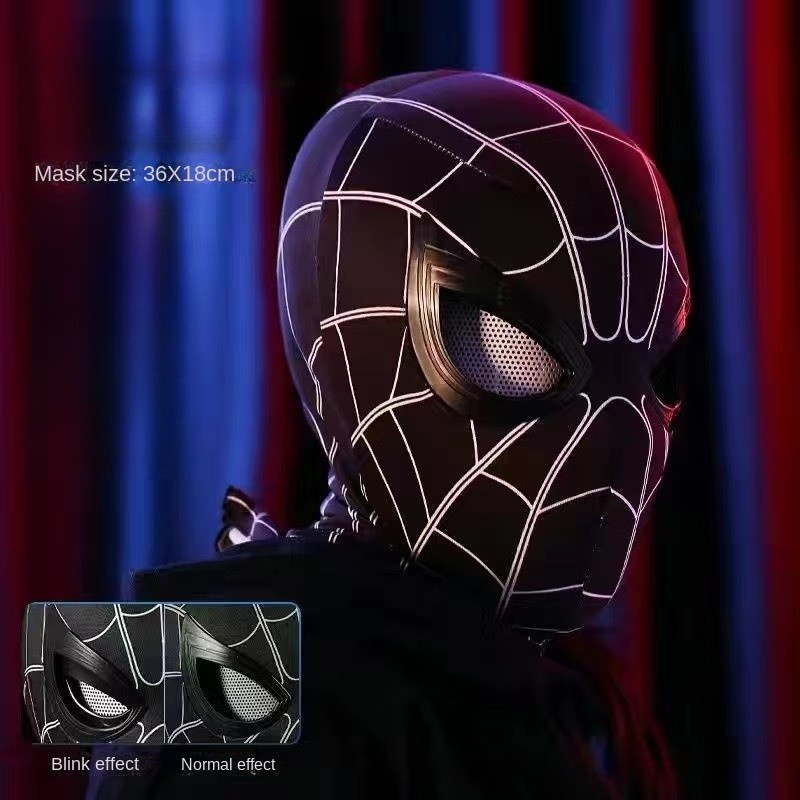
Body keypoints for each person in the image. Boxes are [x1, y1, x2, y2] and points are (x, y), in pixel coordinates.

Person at [88, 70, 690, 799]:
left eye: (654, 371)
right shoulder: (223, 686)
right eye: (511, 347)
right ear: (351, 340)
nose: (618, 436)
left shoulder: (538, 689)